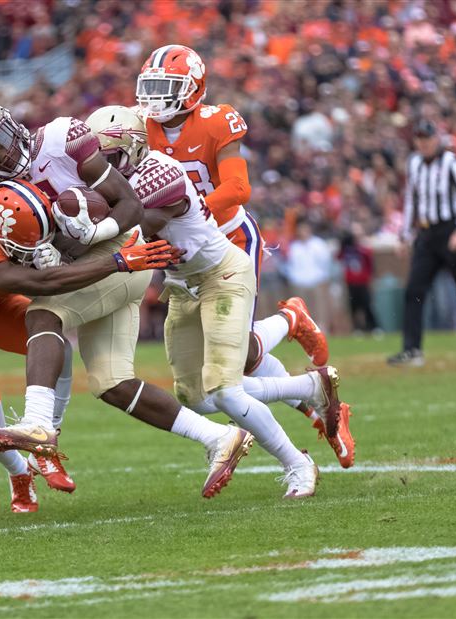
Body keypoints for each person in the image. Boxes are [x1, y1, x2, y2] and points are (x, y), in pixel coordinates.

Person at [0, 104, 254, 504]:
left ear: (14, 127)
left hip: (124, 251)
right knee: (112, 383)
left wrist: (95, 232)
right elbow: (25, 248)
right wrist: (40, 253)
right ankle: (221, 437)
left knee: (43, 311)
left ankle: (40, 423)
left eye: (1, 143)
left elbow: (128, 204)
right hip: (87, 266)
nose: (1, 157)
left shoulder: (61, 139)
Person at [86, 106, 355, 495]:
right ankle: (309, 387)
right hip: (182, 287)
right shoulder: (126, 173)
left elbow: (137, 221)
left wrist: (79, 219)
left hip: (221, 276)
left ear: (132, 147)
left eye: (107, 157)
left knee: (225, 389)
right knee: (194, 397)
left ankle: (298, 464)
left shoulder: (158, 174)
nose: (101, 167)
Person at [0, 185, 207, 511]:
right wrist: (117, 262)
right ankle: (19, 472)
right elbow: (43, 282)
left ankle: (44, 437)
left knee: (53, 344)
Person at [137, 44, 329, 386]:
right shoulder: (139, 126)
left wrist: (193, 210)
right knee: (231, 358)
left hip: (230, 238)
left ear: (193, 88)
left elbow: (238, 188)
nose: (155, 98)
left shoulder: (215, 121)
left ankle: (291, 320)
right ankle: (313, 401)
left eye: (165, 88)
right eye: (150, 87)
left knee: (233, 353)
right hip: (183, 252)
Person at [389, 118, 456, 366]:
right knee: (414, 291)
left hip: (450, 231)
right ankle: (412, 349)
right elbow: (412, 200)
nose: (424, 143)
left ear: (436, 139)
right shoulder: (414, 164)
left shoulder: (452, 162)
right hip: (426, 234)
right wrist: (404, 235)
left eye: (428, 138)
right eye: (420, 139)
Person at [284, 222, 332, 332]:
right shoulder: (294, 247)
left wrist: (324, 277)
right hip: (299, 282)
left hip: (316, 280)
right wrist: (292, 278)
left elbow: (325, 262)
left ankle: (321, 330)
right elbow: (290, 264)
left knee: (320, 307)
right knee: (302, 309)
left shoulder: (318, 244)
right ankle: (305, 331)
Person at [339, 227, 379, 334]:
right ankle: (357, 328)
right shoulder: (346, 249)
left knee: (367, 305)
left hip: (363, 282)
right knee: (354, 307)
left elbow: (369, 262)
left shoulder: (363, 249)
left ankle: (373, 326)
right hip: (351, 283)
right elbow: (339, 257)